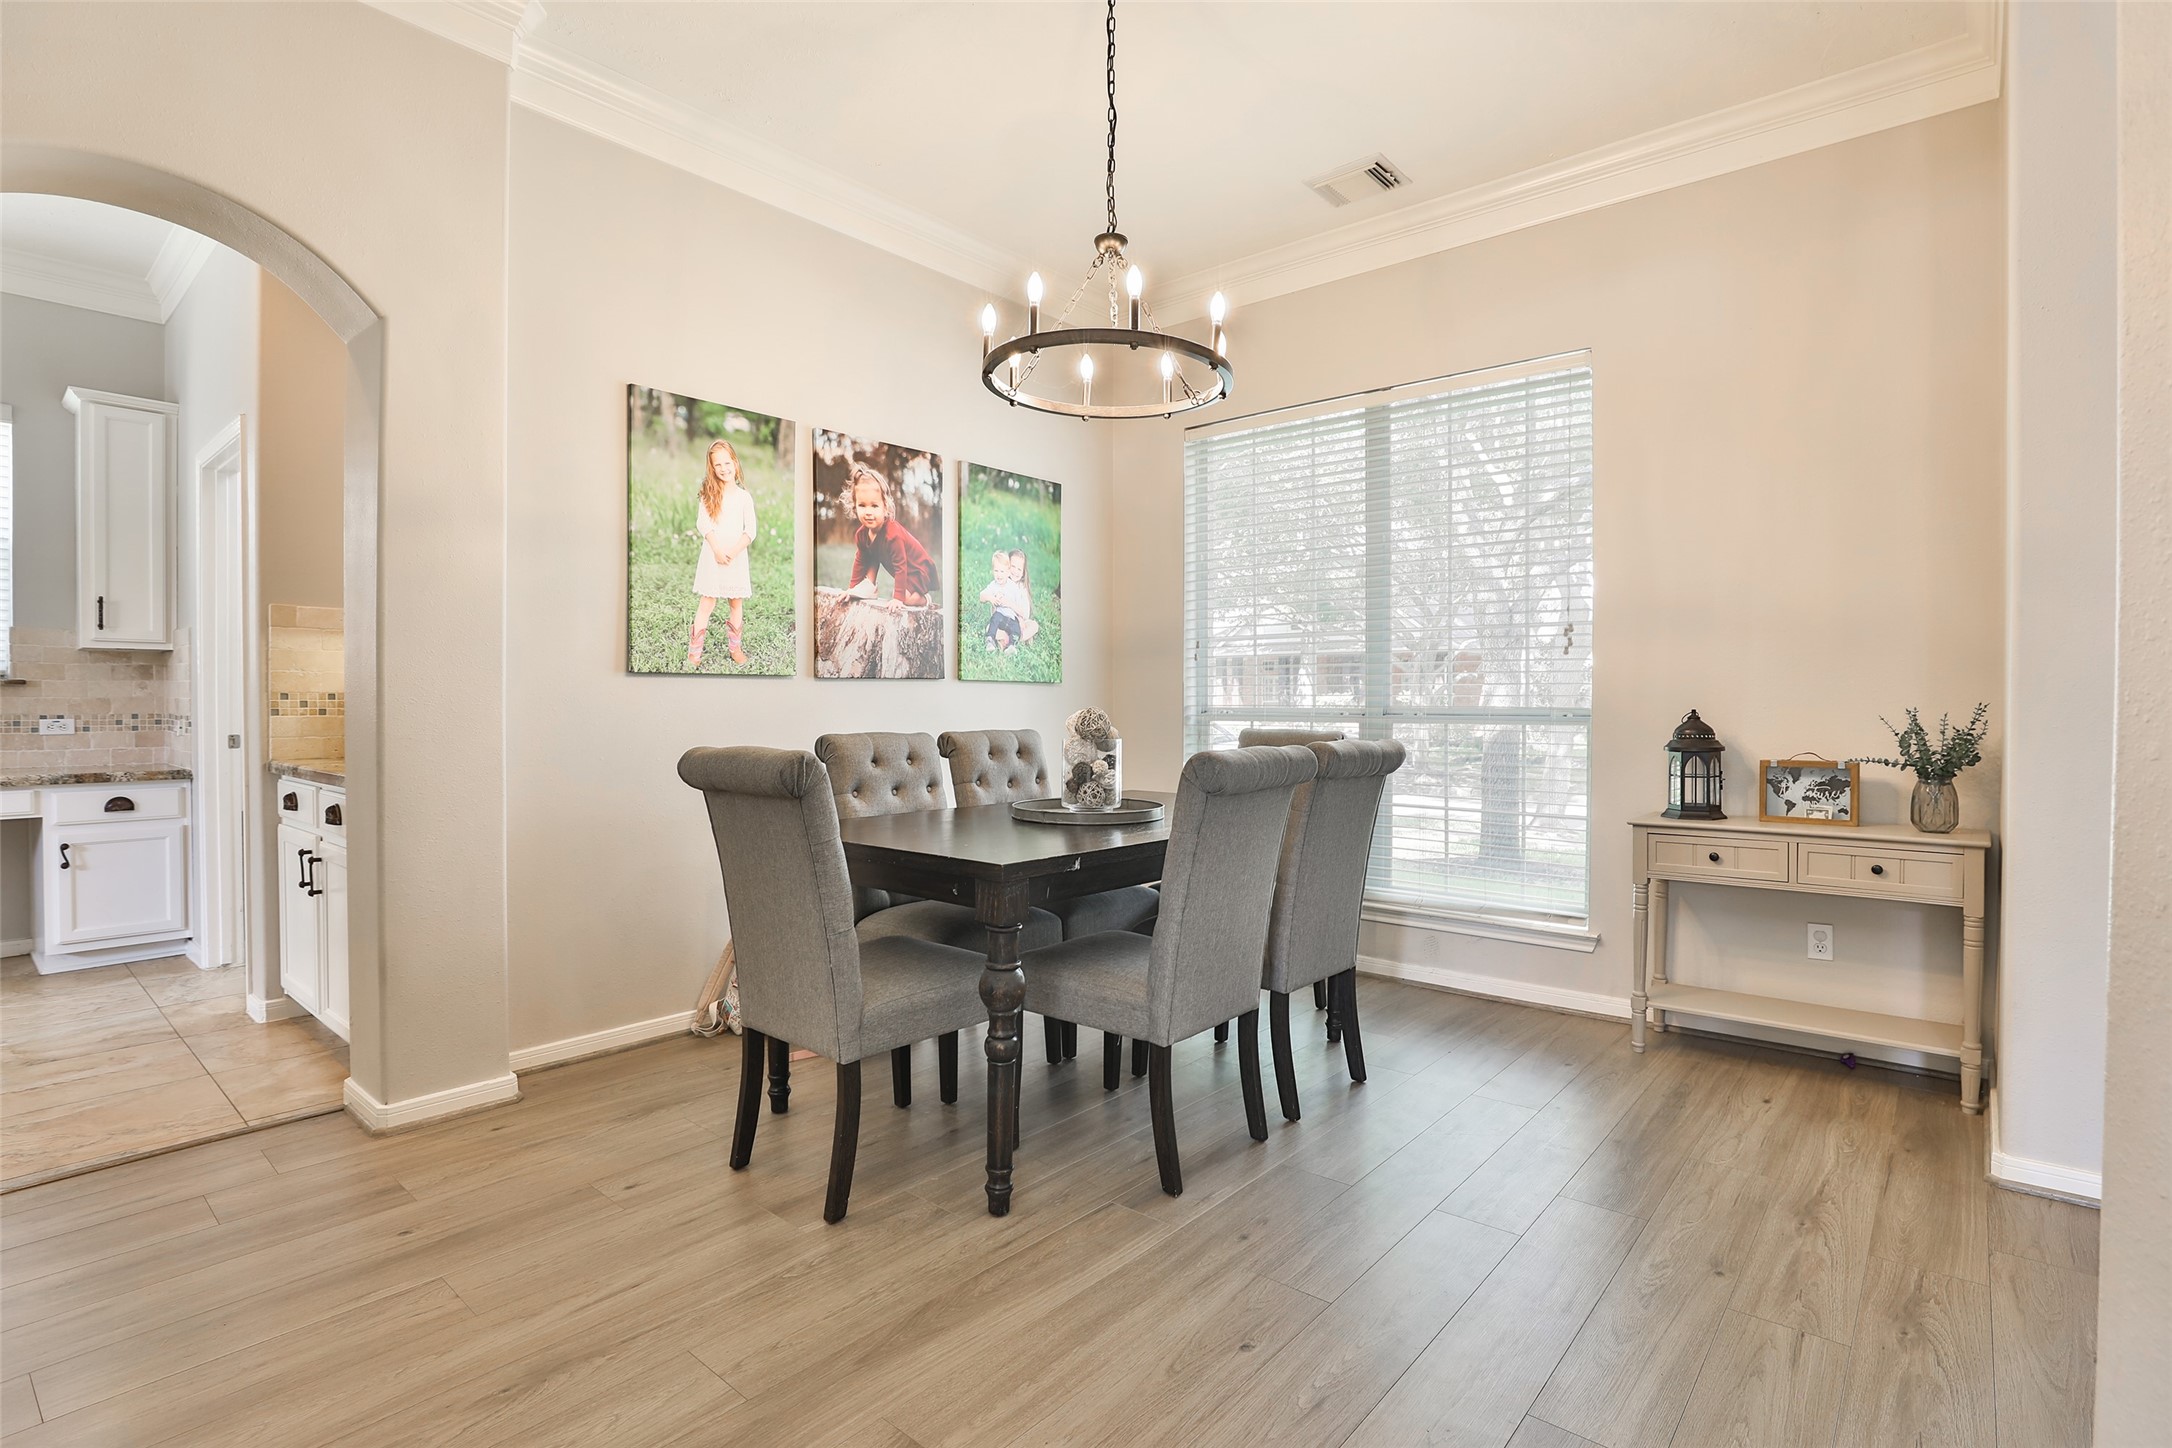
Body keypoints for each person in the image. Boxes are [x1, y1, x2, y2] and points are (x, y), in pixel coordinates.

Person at [689, 439, 757, 667]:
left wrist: (733, 552)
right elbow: (703, 524)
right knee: (707, 603)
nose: (724, 468)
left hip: (735, 559)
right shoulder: (709, 494)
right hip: (713, 556)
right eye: (718, 465)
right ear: (712, 468)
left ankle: (735, 648)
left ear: (735, 463)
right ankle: (694, 653)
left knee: (736, 603)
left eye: (727, 463)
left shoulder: (744, 497)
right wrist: (717, 550)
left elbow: (750, 531)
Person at [844, 465, 939, 606]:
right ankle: (869, 586)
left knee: (906, 599)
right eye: (862, 505)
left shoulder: (892, 535)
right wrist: (851, 590)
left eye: (874, 506)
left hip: (918, 569)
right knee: (870, 551)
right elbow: (860, 561)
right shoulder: (862, 535)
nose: (868, 512)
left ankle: (926, 600)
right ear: (855, 506)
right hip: (905, 570)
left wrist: (898, 598)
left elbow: (901, 565)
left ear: (885, 507)